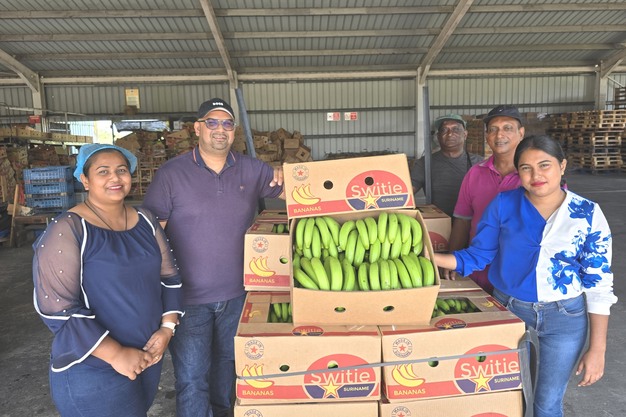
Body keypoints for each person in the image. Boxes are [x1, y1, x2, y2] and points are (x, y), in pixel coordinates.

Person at [434, 135, 617, 417]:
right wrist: (429, 257)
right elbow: (478, 255)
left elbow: (599, 285)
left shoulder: (587, 213)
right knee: (506, 395)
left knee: (547, 403)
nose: (536, 175)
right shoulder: (503, 204)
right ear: (518, 172)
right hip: (510, 311)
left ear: (562, 165)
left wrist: (598, 349)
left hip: (565, 319)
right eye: (526, 168)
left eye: (544, 165)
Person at [143, 97, 285, 417]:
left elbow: (298, 191)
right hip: (188, 299)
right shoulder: (171, 174)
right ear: (197, 128)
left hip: (238, 295)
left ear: (234, 131)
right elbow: (152, 236)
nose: (220, 129)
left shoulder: (252, 169)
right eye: (212, 122)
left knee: (227, 368)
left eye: (227, 123)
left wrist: (286, 173)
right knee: (193, 378)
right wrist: (158, 291)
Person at [33, 144, 184, 417]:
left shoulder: (146, 220)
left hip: (147, 357)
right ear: (85, 179)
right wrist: (116, 354)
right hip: (94, 367)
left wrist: (167, 329)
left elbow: (170, 277)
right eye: (103, 171)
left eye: (121, 170)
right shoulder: (68, 229)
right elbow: (57, 309)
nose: (115, 178)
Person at [444, 105, 525, 292]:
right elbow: (463, 221)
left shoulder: (532, 176)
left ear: (521, 133)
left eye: (507, 128)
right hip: (478, 270)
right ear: (487, 136)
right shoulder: (475, 173)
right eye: (493, 130)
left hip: (518, 277)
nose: (499, 135)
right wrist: (452, 259)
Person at [410, 113, 483, 217]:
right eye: (444, 130)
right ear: (438, 136)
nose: (450, 134)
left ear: (465, 134)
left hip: (470, 222)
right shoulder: (424, 163)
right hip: (438, 222)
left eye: (456, 129)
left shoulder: (479, 163)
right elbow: (406, 195)